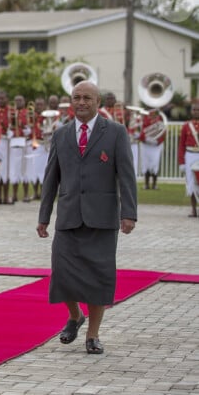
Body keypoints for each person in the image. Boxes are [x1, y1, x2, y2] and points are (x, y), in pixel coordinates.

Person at [37, 81, 137, 355]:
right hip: (69, 216)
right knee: (62, 273)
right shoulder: (61, 134)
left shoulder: (115, 133)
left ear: (97, 102)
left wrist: (129, 213)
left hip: (102, 218)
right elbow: (50, 179)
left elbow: (127, 176)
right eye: (76, 98)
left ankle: (92, 335)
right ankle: (74, 316)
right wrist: (44, 216)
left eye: (87, 98)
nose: (81, 102)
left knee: (99, 278)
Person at [178, 100, 199, 218]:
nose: (196, 112)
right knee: (191, 182)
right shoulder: (186, 126)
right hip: (190, 154)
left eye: (198, 110)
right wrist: (182, 162)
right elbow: (181, 145)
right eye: (194, 109)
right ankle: (193, 209)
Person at [139, 109, 166, 190]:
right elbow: (142, 132)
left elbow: (163, 132)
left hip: (155, 146)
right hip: (146, 145)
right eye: (151, 114)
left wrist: (158, 140)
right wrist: (145, 139)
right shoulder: (144, 121)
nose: (153, 115)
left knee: (155, 164)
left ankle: (154, 185)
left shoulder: (160, 122)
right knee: (146, 164)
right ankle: (146, 184)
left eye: (155, 114)